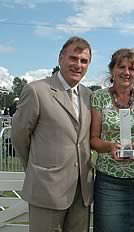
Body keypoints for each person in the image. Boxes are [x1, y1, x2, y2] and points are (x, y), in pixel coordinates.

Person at [11, 36, 94, 232]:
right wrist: (37, 169)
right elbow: (19, 137)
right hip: (47, 190)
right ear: (60, 59)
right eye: (73, 58)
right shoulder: (36, 90)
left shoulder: (88, 95)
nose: (78, 65)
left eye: (84, 61)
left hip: (81, 192)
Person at [90, 48, 134, 232]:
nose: (126, 72)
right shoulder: (99, 97)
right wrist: (110, 146)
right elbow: (93, 139)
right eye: (121, 67)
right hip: (108, 180)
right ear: (112, 70)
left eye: (132, 68)